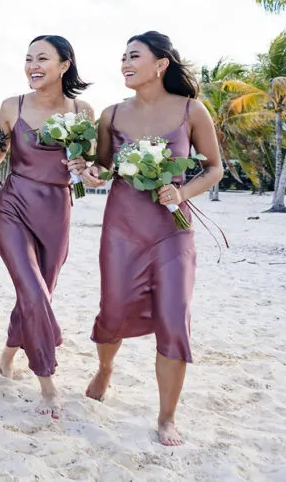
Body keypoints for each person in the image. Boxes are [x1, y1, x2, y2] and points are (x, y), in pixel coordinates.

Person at [81, 31, 222, 446]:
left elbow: (214, 168)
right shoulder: (110, 114)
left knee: (174, 318)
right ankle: (106, 368)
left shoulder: (191, 110)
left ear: (161, 64)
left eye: (134, 56)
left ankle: (166, 417)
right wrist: (90, 173)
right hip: (121, 229)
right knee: (113, 311)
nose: (125, 63)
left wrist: (182, 192)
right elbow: (102, 168)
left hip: (172, 230)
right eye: (122, 56)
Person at [0, 35, 94, 418]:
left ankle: (5, 358)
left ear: (65, 65)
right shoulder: (10, 107)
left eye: (42, 59)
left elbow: (87, 164)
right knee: (34, 292)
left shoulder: (82, 111)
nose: (33, 65)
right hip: (13, 206)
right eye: (28, 59)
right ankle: (47, 384)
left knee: (37, 293)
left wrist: (86, 169)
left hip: (57, 210)